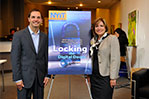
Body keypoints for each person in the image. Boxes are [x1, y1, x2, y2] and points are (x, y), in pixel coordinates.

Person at [11, 9, 50, 99]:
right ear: (28, 19)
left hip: (40, 78)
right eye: (33, 17)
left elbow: (46, 57)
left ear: (41, 20)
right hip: (24, 78)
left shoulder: (45, 37)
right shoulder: (18, 35)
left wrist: (47, 75)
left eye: (38, 17)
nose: (35, 20)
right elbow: (15, 58)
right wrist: (17, 78)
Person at [89, 17, 120, 99]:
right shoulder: (93, 40)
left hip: (105, 77)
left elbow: (115, 59)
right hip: (94, 76)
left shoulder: (112, 38)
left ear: (105, 27)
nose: (99, 28)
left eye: (101, 26)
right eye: (96, 26)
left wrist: (113, 78)